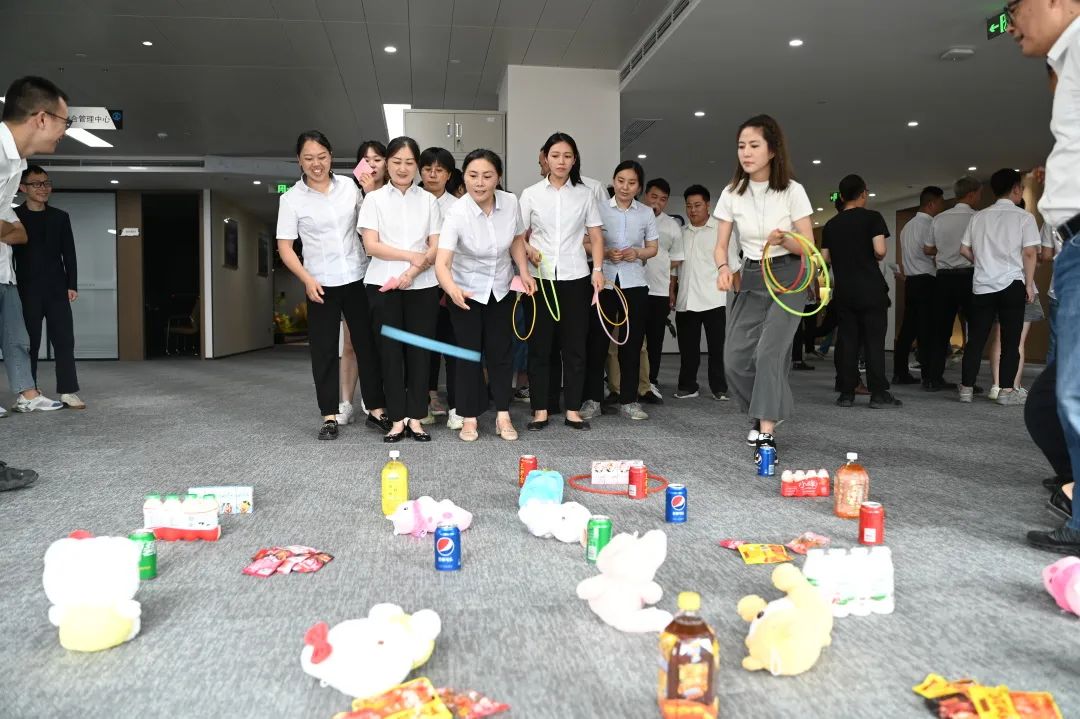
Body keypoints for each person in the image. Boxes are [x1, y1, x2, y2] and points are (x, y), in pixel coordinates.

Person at [1008, 0, 1080, 553]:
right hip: (1071, 248)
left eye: (1015, 6)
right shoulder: (1069, 56)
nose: (1010, 21)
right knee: (1055, 396)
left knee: (1069, 394)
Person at [275, 131, 390, 440]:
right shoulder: (291, 199)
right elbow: (285, 247)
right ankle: (329, 415)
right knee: (324, 350)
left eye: (322, 157)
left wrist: (370, 193)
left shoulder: (350, 187)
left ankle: (376, 409)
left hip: (356, 277)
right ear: (299, 160)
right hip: (320, 283)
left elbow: (368, 226)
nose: (317, 164)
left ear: (331, 156)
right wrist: (306, 279)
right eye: (309, 158)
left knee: (366, 346)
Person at [713, 114, 815, 457]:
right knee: (734, 360)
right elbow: (721, 245)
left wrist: (785, 239)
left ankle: (766, 430)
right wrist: (724, 268)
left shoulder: (792, 191)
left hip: (788, 275)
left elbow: (808, 246)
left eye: (754, 145)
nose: (746, 152)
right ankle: (764, 410)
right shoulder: (731, 193)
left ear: (772, 150)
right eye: (741, 146)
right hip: (751, 274)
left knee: (770, 353)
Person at [435, 149, 533, 441]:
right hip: (465, 291)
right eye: (473, 176)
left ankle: (503, 414)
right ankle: (469, 417)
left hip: (500, 289)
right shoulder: (457, 212)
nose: (479, 183)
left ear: (498, 178)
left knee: (501, 353)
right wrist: (452, 290)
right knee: (468, 355)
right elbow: (442, 262)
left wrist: (524, 271)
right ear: (463, 178)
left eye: (487, 176)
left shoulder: (510, 202)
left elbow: (516, 239)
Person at [519, 132, 605, 431]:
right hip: (540, 280)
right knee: (540, 347)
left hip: (575, 277)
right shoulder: (531, 194)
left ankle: (573, 410)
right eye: (555, 155)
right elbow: (517, 236)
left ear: (574, 159)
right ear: (545, 158)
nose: (561, 161)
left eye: (567, 156)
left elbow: (596, 236)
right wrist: (528, 254)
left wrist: (598, 269)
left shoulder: (585, 194)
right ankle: (541, 410)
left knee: (575, 348)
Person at [358, 136, 442, 442]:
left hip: (423, 286)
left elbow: (435, 246)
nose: (403, 168)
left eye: (409, 162)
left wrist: (412, 272)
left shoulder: (429, 201)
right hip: (383, 285)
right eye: (396, 162)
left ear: (417, 165)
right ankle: (396, 419)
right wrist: (410, 257)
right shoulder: (374, 200)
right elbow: (371, 245)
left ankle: (416, 419)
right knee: (390, 354)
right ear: (387, 164)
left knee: (420, 353)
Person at [0, 76, 69, 417]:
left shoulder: (17, 164)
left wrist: (7, 229)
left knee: (17, 337)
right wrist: (7, 229)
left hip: (4, 270)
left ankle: (28, 394)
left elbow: (16, 230)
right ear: (42, 118)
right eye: (64, 122)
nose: (64, 131)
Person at [581, 160, 657, 420]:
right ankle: (593, 400)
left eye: (632, 183)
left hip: (634, 283)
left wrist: (637, 252)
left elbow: (653, 248)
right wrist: (604, 252)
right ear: (613, 182)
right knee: (597, 343)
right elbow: (585, 243)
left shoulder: (646, 213)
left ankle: (629, 400)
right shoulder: (598, 208)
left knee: (632, 344)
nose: (625, 187)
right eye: (621, 181)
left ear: (639, 187)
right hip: (603, 283)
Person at [957, 169, 1039, 405]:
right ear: (1015, 188)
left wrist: (982, 262)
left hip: (983, 285)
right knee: (1010, 341)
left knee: (976, 339)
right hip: (1012, 283)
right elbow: (1030, 253)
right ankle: (1006, 391)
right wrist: (1029, 285)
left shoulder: (978, 217)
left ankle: (966, 389)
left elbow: (963, 249)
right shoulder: (1024, 217)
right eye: (1021, 187)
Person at [822, 174, 902, 409]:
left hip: (845, 291)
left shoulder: (831, 224)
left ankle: (847, 393)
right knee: (873, 342)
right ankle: (878, 393)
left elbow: (825, 258)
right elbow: (880, 251)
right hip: (870, 289)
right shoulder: (872, 218)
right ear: (863, 193)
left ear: (841, 196)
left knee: (848, 341)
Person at [13, 166, 84, 408]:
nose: (43, 188)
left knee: (64, 340)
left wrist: (72, 284)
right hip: (26, 289)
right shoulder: (14, 217)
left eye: (46, 183)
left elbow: (69, 253)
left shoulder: (60, 217)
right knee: (29, 343)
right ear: (23, 188)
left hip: (57, 289)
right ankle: (30, 391)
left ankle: (68, 391)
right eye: (36, 184)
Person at [337, 139, 387, 427]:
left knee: (380, 341)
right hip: (354, 275)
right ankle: (345, 402)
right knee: (351, 343)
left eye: (378, 159)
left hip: (384, 276)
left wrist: (371, 194)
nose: (372, 165)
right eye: (366, 160)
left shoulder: (393, 195)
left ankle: (374, 397)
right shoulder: (348, 194)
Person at [670, 184, 735, 401]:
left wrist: (738, 290)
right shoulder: (681, 233)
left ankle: (719, 387)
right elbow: (675, 268)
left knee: (717, 348)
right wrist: (672, 291)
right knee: (688, 348)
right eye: (689, 206)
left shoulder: (722, 231)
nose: (693, 210)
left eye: (697, 205)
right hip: (686, 298)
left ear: (708, 205)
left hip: (713, 298)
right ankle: (688, 386)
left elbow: (733, 264)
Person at [923, 176, 982, 391]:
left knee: (940, 330)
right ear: (972, 194)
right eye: (979, 194)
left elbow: (927, 249)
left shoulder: (939, 218)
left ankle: (933, 378)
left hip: (943, 279)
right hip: (969, 277)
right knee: (974, 330)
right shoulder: (977, 217)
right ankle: (968, 382)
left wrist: (945, 251)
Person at [419, 147, 460, 427]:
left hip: (452, 284)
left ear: (449, 175)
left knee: (453, 344)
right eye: (428, 169)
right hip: (419, 283)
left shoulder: (459, 206)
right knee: (424, 346)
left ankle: (458, 406)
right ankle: (425, 400)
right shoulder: (412, 202)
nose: (433, 174)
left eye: (440, 170)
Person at [894, 186, 946, 384]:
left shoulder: (907, 227)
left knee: (908, 329)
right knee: (928, 330)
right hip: (928, 281)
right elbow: (931, 251)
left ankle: (900, 372)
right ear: (931, 204)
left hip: (911, 282)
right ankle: (929, 376)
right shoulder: (931, 225)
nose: (941, 207)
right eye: (940, 203)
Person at [641, 178, 681, 403]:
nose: (657, 202)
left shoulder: (671, 226)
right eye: (654, 197)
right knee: (632, 339)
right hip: (633, 287)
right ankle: (626, 382)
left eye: (663, 199)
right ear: (645, 195)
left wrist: (670, 287)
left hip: (658, 291)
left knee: (655, 340)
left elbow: (677, 259)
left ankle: (651, 382)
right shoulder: (634, 216)